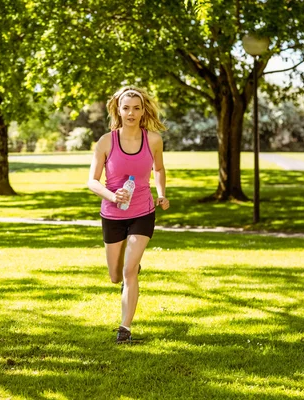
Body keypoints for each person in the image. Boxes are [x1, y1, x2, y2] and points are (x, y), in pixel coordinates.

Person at [87, 85, 170, 344]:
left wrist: (161, 192)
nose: (131, 113)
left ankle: (125, 329)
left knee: (129, 270)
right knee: (115, 275)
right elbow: (92, 181)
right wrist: (112, 196)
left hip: (142, 212)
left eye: (136, 108)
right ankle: (126, 272)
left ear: (143, 110)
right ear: (118, 110)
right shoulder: (106, 141)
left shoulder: (153, 140)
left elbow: (159, 168)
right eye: (126, 108)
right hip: (112, 213)